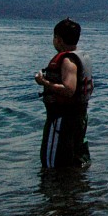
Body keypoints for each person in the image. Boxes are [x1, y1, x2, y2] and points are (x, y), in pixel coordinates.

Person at [34, 18, 94, 169]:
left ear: (59, 39)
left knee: (52, 164)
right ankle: (74, 189)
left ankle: (55, 190)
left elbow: (69, 90)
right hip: (78, 117)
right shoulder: (80, 57)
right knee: (73, 160)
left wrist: (43, 82)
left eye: (54, 37)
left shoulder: (68, 61)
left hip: (63, 119)